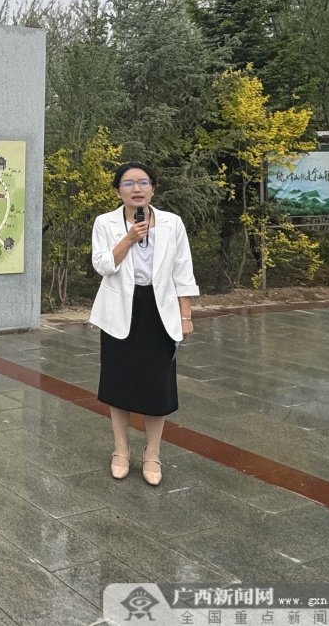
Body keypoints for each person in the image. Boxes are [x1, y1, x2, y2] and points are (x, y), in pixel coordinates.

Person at [89, 162, 198, 486]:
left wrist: (185, 315)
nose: (136, 189)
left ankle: (153, 452)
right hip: (119, 309)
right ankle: (121, 449)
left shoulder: (172, 223)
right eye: (128, 183)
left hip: (160, 308)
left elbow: (183, 270)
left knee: (157, 384)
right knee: (118, 382)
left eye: (143, 182)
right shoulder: (105, 222)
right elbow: (102, 265)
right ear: (117, 191)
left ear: (153, 188)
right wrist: (129, 238)